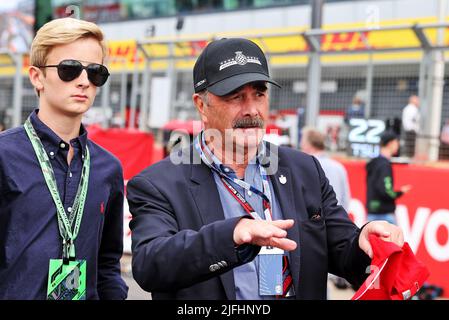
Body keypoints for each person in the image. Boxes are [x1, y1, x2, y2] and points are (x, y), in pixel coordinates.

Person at [127, 38, 405, 300]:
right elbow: (151, 265)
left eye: (259, 94)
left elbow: (341, 248)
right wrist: (232, 235)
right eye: (235, 97)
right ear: (202, 105)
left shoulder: (304, 169)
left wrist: (363, 241)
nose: (251, 110)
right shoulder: (158, 183)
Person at [0, 18, 128, 300]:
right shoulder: (4, 156)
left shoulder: (108, 168)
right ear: (36, 77)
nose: (84, 81)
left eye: (95, 73)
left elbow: (108, 262)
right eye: (69, 69)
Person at [366, 131, 412, 225]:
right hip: (384, 215)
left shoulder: (374, 163)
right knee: (394, 239)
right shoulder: (384, 165)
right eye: (396, 142)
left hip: (372, 213)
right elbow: (386, 191)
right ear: (390, 143)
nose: (398, 145)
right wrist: (400, 192)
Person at [300, 126, 351, 212]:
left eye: (302, 141)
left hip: (315, 221)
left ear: (307, 144)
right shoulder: (338, 167)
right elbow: (345, 199)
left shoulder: (306, 166)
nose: (301, 144)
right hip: (336, 218)